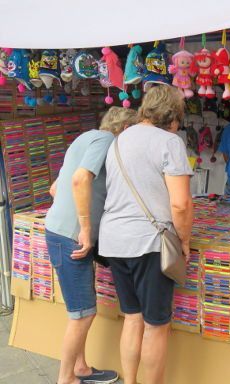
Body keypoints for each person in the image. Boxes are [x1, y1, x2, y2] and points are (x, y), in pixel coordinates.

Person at [98, 85, 194, 384]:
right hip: (149, 243)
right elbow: (180, 204)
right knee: (156, 325)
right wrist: (185, 240)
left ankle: (130, 382)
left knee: (132, 316)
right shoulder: (170, 141)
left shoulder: (119, 139)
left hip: (113, 239)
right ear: (173, 115)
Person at [45, 106, 137, 384]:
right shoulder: (107, 141)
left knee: (80, 309)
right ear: (124, 129)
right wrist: (85, 228)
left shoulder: (86, 138)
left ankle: (81, 367)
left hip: (60, 231)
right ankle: (66, 379)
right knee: (82, 314)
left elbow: (54, 188)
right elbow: (79, 179)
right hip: (71, 237)